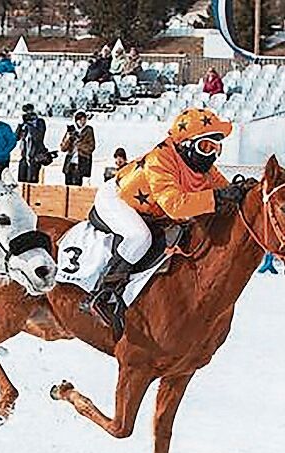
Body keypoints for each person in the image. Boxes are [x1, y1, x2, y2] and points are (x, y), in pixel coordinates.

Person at [88, 108, 243, 332]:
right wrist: (217, 197)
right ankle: (105, 293)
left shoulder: (205, 169)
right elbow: (175, 206)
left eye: (216, 148)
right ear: (187, 144)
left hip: (151, 209)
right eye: (206, 147)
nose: (211, 155)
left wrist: (241, 191)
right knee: (140, 237)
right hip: (118, 199)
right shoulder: (160, 159)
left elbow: (225, 190)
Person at [60, 110, 95, 186]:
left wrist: (79, 144)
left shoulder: (88, 130)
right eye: (81, 120)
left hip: (81, 161)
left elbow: (91, 147)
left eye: (84, 120)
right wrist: (68, 138)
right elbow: (63, 148)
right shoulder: (71, 129)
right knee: (67, 184)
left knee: (77, 185)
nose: (83, 122)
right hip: (70, 162)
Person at [15, 103, 47, 183]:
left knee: (32, 182)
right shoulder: (24, 124)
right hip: (24, 157)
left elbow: (38, 136)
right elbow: (16, 137)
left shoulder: (40, 122)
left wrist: (30, 125)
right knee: (21, 182)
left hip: (35, 157)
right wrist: (20, 125)